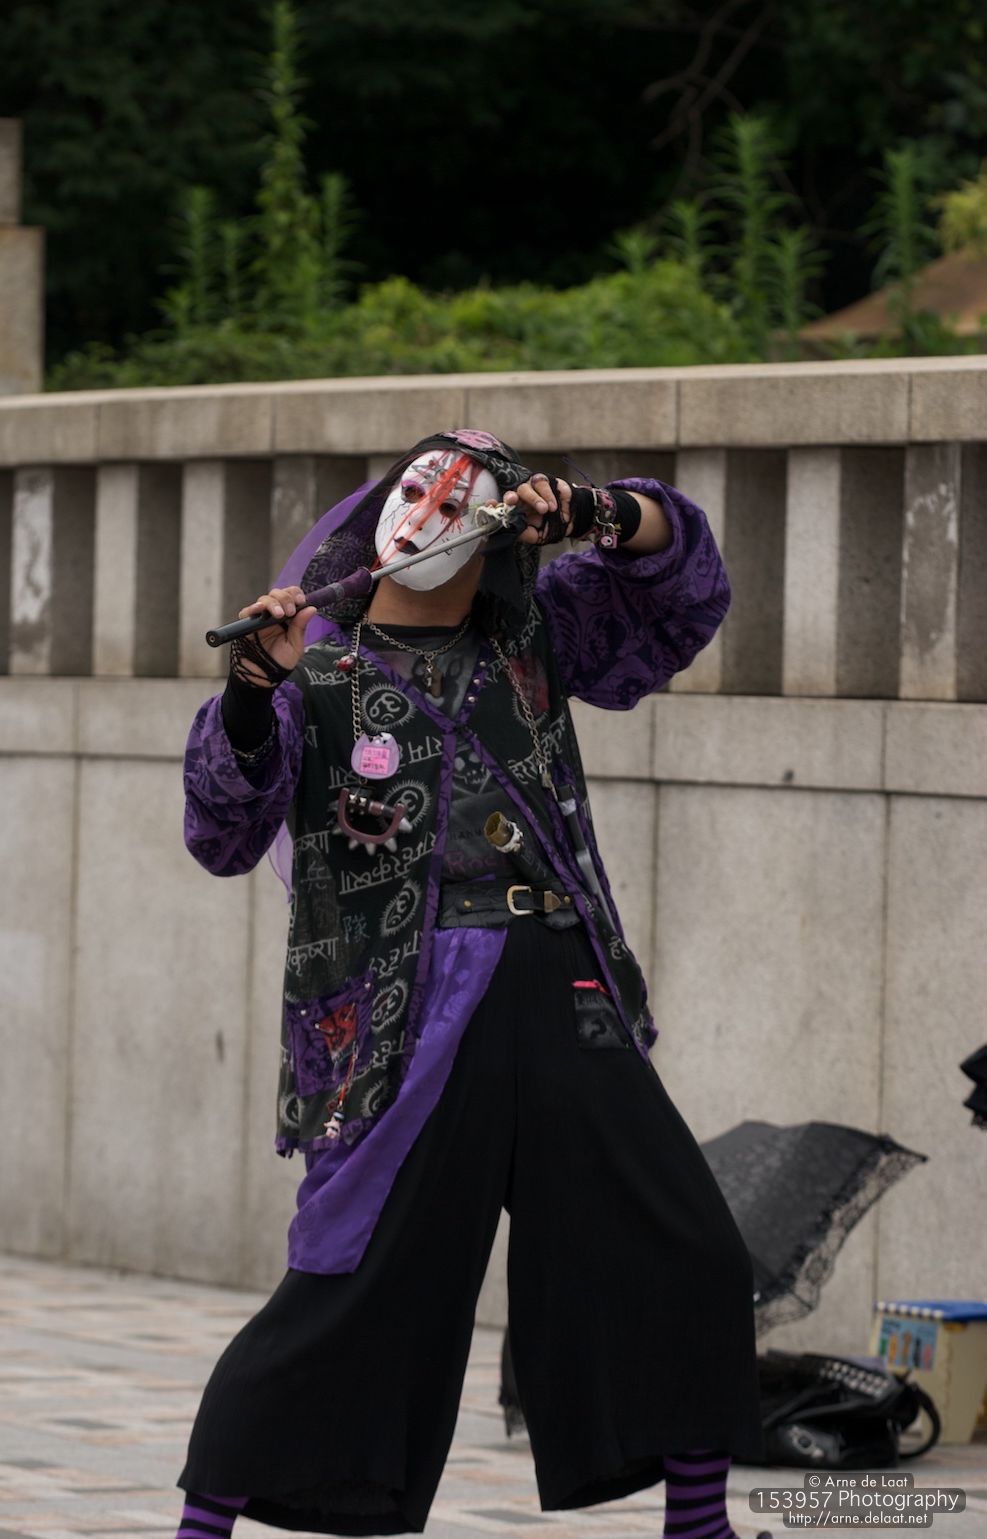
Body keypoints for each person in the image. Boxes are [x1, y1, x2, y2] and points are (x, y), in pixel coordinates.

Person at [176, 430, 766, 1539]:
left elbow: (681, 583)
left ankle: (700, 1528)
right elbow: (220, 832)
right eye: (419, 487)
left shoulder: (536, 635)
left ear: (499, 532)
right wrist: (253, 690)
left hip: (563, 983)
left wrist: (593, 510)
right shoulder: (318, 672)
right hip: (404, 1011)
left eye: (468, 499)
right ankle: (200, 1529)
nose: (435, 509)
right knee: (352, 1278)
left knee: (684, 1252)